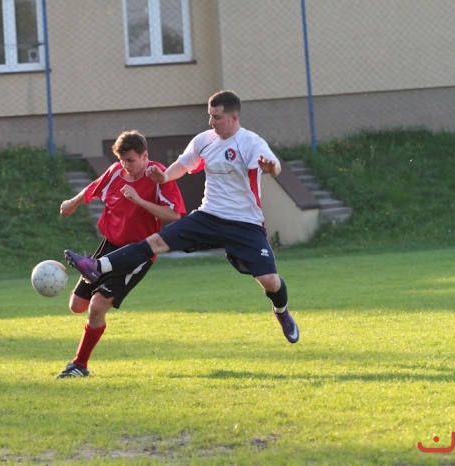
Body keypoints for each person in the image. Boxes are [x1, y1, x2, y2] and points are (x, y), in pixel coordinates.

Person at [64, 90, 299, 344]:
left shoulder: (250, 143)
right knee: (156, 241)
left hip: (245, 223)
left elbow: (274, 165)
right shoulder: (204, 140)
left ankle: (281, 312)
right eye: (210, 116)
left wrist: (271, 168)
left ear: (234, 117)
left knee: (270, 281)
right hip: (209, 216)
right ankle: (98, 266)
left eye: (217, 117)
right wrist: (164, 177)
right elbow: (184, 165)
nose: (211, 122)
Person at [55, 130, 186, 378]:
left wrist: (138, 200)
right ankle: (90, 277)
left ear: (145, 155)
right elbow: (93, 188)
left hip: (137, 253)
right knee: (77, 306)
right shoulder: (116, 171)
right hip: (109, 246)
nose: (127, 166)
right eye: (123, 160)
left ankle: (79, 365)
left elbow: (174, 215)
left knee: (97, 306)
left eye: (131, 160)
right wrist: (72, 203)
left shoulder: (159, 176)